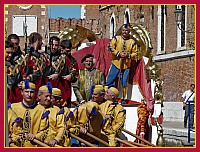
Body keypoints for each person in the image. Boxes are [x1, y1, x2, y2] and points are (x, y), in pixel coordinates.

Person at [106, 23, 139, 103]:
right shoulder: (116, 39)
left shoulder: (132, 42)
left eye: (126, 30)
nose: (124, 32)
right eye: (123, 30)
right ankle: (107, 96)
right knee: (110, 80)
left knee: (124, 82)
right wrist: (118, 53)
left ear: (129, 32)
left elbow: (136, 53)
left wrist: (129, 55)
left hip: (126, 65)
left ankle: (124, 98)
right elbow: (110, 47)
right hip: (116, 63)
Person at [11, 80, 48, 147]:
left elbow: (45, 130)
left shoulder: (41, 110)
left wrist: (36, 136)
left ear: (35, 94)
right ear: (22, 92)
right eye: (26, 92)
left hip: (34, 145)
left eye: (32, 92)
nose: (29, 95)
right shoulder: (13, 108)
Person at [23, 32, 48, 98]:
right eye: (40, 41)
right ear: (37, 41)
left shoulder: (42, 56)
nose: (41, 43)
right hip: (30, 88)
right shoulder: (27, 56)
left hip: (41, 87)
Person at [58, 39, 78, 107]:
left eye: (69, 51)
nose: (68, 53)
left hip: (67, 87)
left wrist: (71, 76)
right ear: (62, 49)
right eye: (67, 51)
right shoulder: (56, 58)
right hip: (56, 85)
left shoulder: (73, 61)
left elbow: (76, 74)